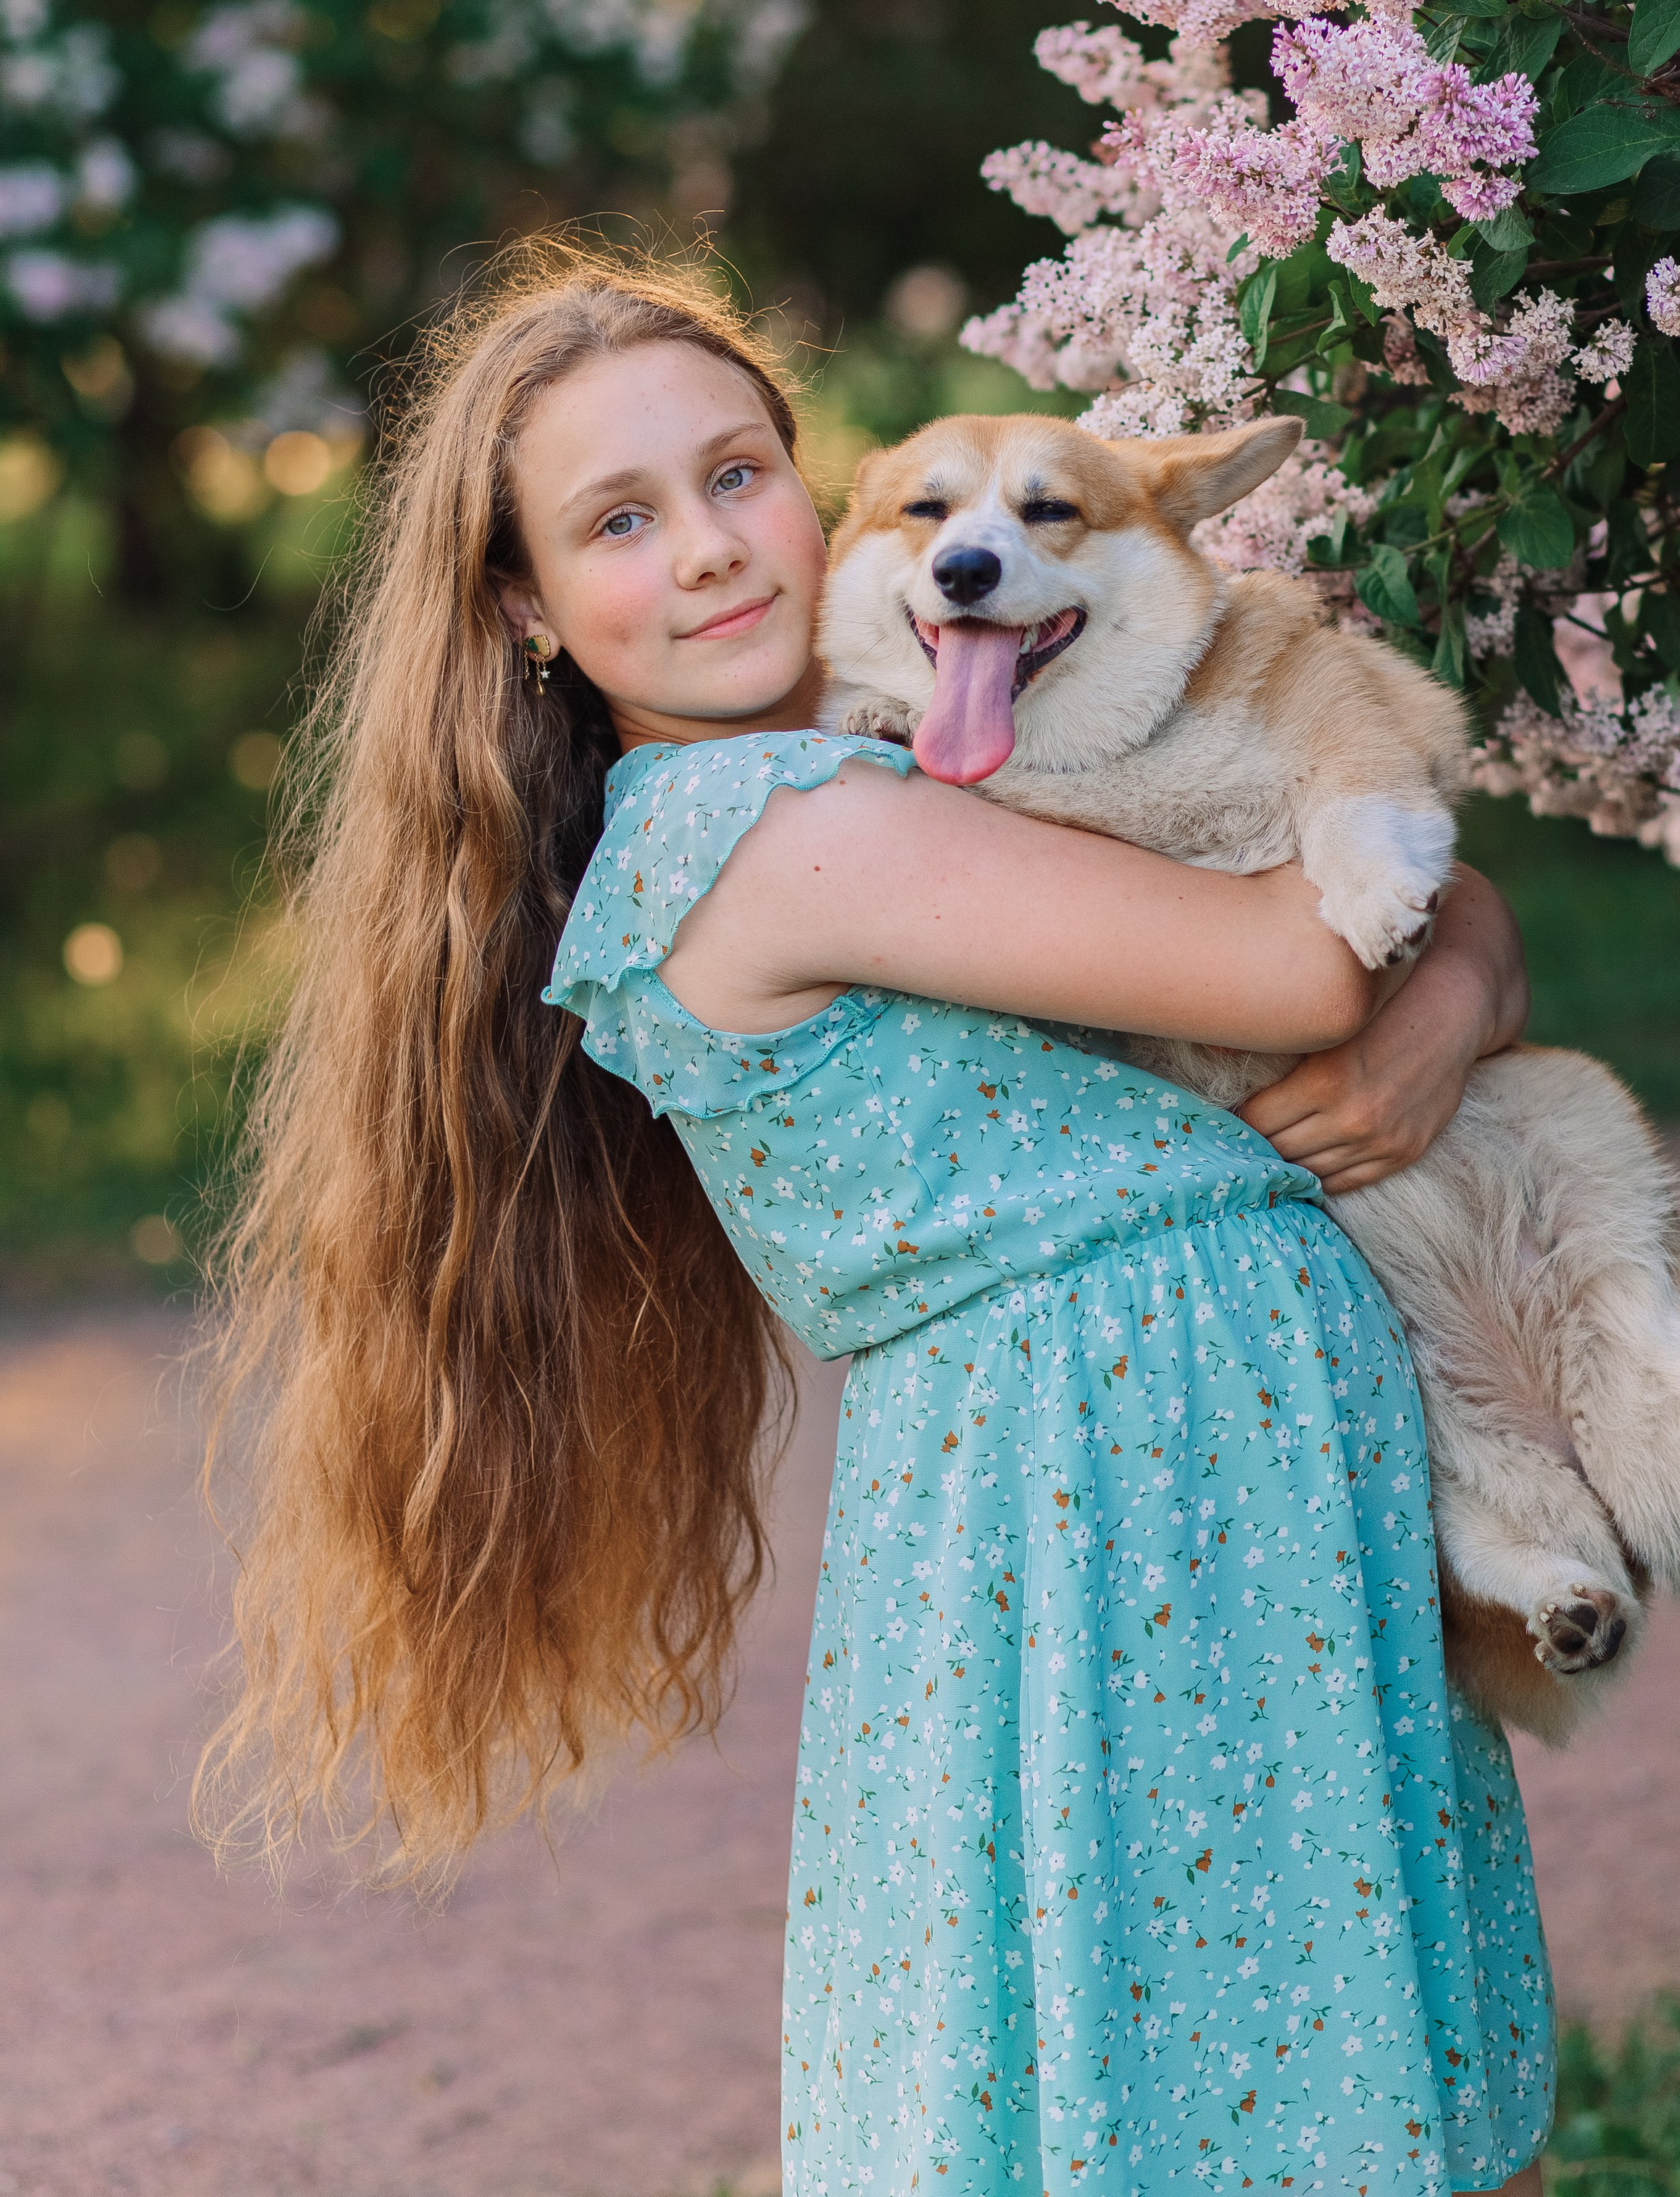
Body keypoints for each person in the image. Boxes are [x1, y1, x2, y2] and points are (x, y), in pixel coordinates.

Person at [201, 244, 1551, 2196]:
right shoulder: (791, 831)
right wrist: (1465, 966)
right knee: (1244, 2073)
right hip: (1125, 1484)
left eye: (741, 476)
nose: (712, 550)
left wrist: (1460, 959)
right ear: (524, 608)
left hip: (1160, 1459)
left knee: (1266, 2040)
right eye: (619, 520)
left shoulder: (853, 769)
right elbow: (1312, 959)